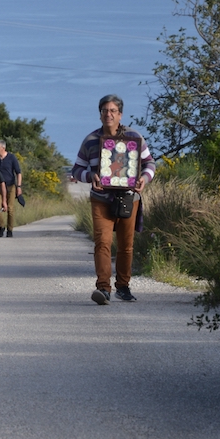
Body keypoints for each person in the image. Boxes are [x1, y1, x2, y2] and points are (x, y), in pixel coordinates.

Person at [71, 94, 156, 305]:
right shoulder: (90, 140)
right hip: (101, 198)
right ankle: (103, 288)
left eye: (112, 111)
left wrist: (144, 179)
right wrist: (91, 177)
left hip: (129, 198)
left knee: (126, 245)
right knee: (103, 242)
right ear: (100, 114)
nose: (108, 114)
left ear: (120, 114)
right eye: (104, 111)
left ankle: (123, 287)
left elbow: (150, 164)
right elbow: (77, 169)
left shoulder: (134, 137)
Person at [0, 139, 23, 237]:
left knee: (10, 208)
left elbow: (18, 172)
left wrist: (19, 186)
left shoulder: (11, 158)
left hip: (10, 186)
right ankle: (1, 226)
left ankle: (10, 229)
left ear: (3, 148)